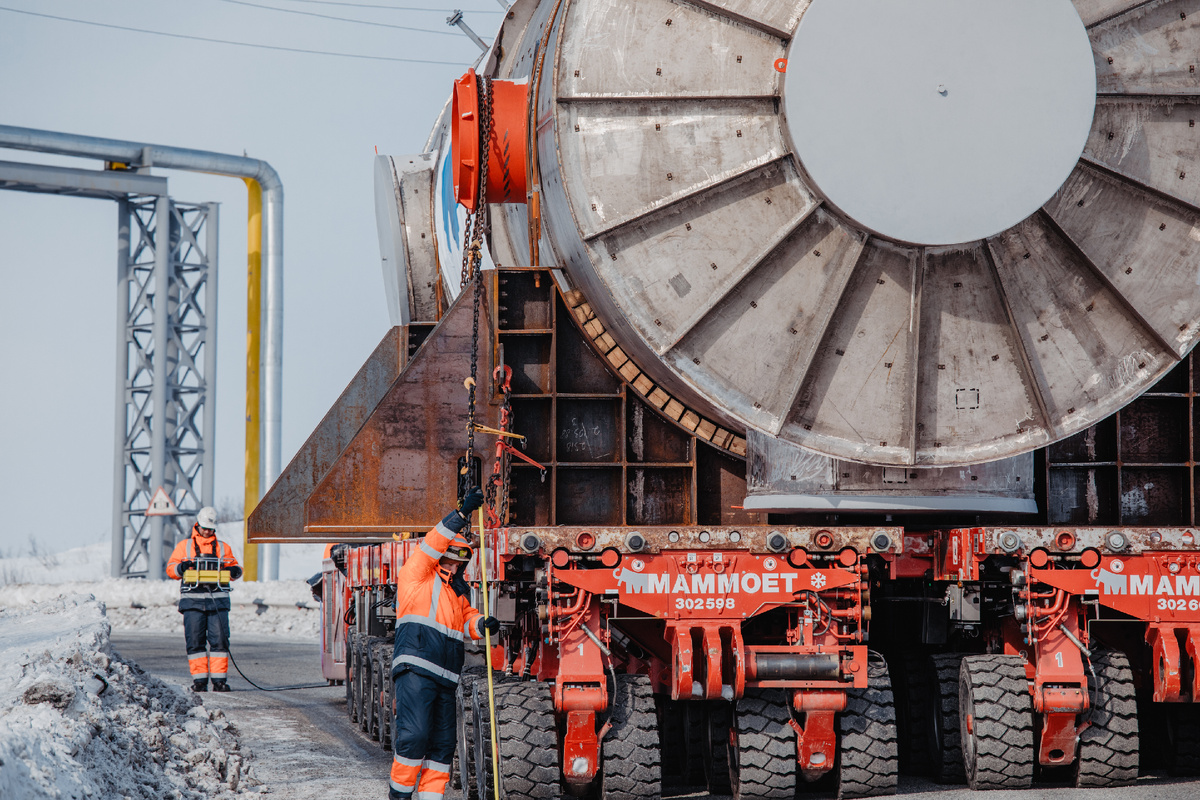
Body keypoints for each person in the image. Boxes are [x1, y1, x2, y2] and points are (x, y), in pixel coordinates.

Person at [389, 487, 499, 800]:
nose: (454, 568)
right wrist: (462, 515)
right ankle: (399, 795)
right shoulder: (417, 574)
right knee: (415, 737)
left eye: (459, 564)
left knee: (442, 747)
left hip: (446, 678)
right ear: (442, 557)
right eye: (450, 561)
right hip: (416, 669)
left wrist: (482, 625)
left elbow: (467, 621)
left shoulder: (456, 593)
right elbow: (432, 543)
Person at [166, 506, 243, 692]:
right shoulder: (184, 546)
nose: (208, 532)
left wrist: (234, 571)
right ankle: (199, 681)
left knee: (220, 641)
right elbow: (171, 569)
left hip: (218, 601)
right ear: (198, 525)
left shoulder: (224, 548)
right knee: (195, 642)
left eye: (211, 529)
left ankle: (219, 681)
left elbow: (236, 569)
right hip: (192, 602)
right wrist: (181, 568)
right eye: (205, 528)